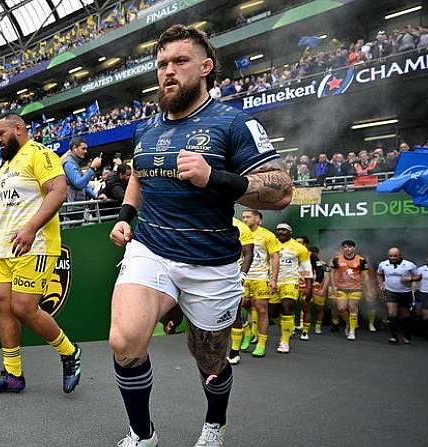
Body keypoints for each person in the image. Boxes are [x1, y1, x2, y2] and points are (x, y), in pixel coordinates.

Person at [108, 25, 291, 446]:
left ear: (206, 67)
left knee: (208, 357)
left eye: (180, 62)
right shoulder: (145, 129)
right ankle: (142, 433)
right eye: (161, 65)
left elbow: (281, 189)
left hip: (210, 261)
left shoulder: (234, 123)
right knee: (124, 341)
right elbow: (139, 175)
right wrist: (126, 215)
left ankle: (215, 422)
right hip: (150, 249)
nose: (168, 71)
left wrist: (214, 178)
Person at [0, 114, 82, 395]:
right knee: (3, 305)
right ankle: (13, 375)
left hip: (35, 245)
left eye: (0, 133)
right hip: (5, 249)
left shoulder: (40, 153)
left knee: (23, 307)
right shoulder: (8, 164)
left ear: (18, 128)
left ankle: (69, 352)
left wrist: (32, 228)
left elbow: (58, 191)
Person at [241, 209, 281, 358]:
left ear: (258, 219)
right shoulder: (239, 232)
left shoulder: (267, 235)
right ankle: (247, 334)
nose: (244, 219)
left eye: (248, 217)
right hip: (243, 277)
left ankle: (261, 344)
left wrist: (273, 279)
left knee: (262, 310)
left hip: (260, 278)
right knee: (241, 307)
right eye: (243, 217)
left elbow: (274, 257)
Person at [272, 223, 312, 352]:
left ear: (290, 232)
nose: (281, 232)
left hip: (290, 281)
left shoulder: (299, 247)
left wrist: (309, 286)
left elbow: (307, 268)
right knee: (272, 312)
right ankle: (288, 328)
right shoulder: (271, 244)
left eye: (284, 230)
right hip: (272, 282)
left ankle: (284, 341)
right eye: (278, 230)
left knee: (287, 307)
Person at [324, 240, 373, 340]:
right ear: (343, 248)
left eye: (350, 247)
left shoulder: (361, 260)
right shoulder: (337, 259)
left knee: (352, 307)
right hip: (341, 288)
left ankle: (352, 331)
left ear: (354, 248)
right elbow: (332, 273)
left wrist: (368, 290)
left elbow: (365, 276)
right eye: (345, 247)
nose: (348, 249)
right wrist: (333, 286)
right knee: (341, 308)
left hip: (356, 288)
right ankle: (348, 323)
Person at [377, 247, 419, 344]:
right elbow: (379, 274)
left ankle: (406, 334)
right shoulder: (383, 264)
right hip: (390, 291)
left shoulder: (409, 265)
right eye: (390, 256)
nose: (393, 258)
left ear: (400, 255)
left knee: (405, 315)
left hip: (405, 292)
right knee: (392, 313)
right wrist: (380, 284)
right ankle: (394, 336)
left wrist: (410, 278)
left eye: (395, 256)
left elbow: (418, 276)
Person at [227, 217, 254, 365]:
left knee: (234, 312)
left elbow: (248, 254)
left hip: (232, 277)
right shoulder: (205, 219)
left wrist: (242, 276)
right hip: (209, 275)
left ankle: (234, 351)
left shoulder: (241, 227)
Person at [414, 252, 428, 340]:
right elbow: (415, 281)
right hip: (424, 293)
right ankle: (425, 331)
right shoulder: (421, 269)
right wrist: (414, 291)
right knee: (426, 316)